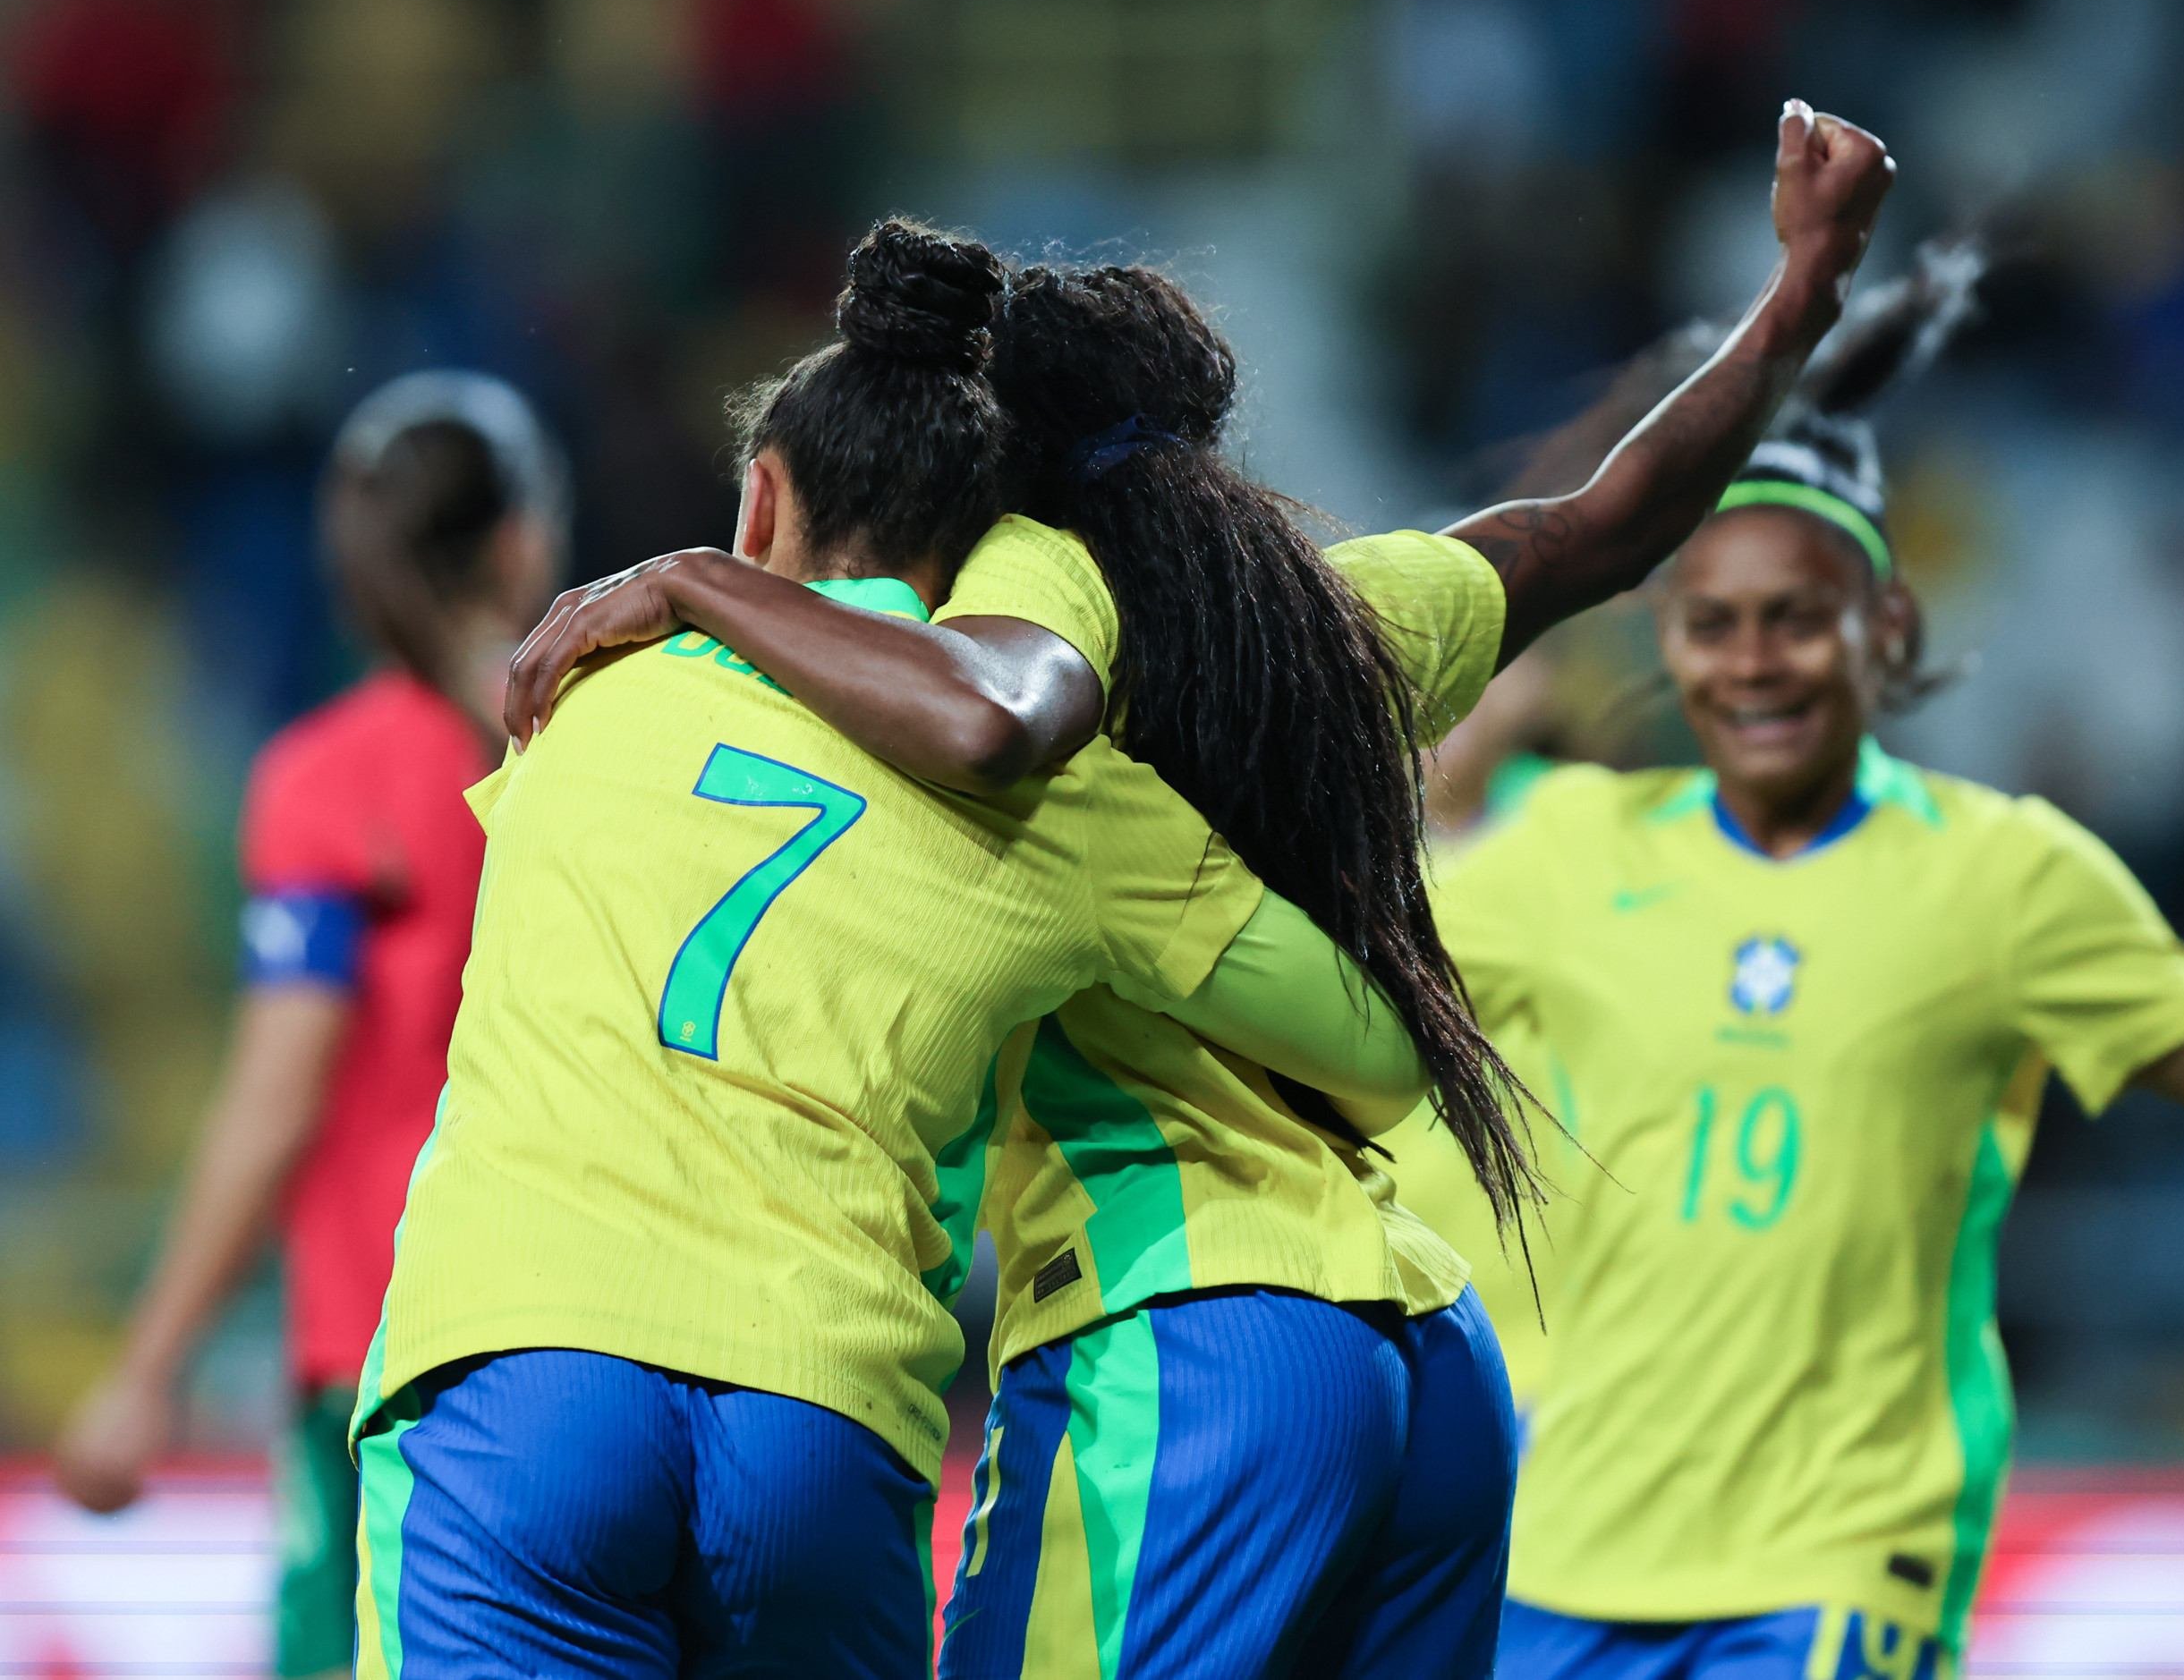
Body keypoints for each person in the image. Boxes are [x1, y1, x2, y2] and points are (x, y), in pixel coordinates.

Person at [504, 103, 1897, 1678]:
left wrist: (707, 577)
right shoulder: (1336, 617)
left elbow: (991, 717)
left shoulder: (1031, 637)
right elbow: (1609, 524)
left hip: (1184, 1334)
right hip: (1426, 1355)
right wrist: (1799, 299)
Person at [1390, 247, 2184, 1679]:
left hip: (1831, 1560)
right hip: (1558, 1551)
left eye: (1797, 618)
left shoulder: (2005, 875)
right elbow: (1310, 946)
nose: (1754, 662)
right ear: (1671, 648)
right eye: (1715, 624)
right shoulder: (1566, 850)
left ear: (1887, 628)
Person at [347, 220, 1440, 1680]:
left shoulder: (585, 690)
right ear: (988, 564)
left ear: (760, 502)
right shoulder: (1058, 802)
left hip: (520, 1364)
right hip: (822, 1408)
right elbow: (1375, 1050)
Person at [50, 373, 566, 1680]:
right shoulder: (597, 751)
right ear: (519, 540)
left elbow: (279, 1094)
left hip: (383, 1359)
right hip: (588, 1343)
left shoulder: (329, 783)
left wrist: (147, 1365)